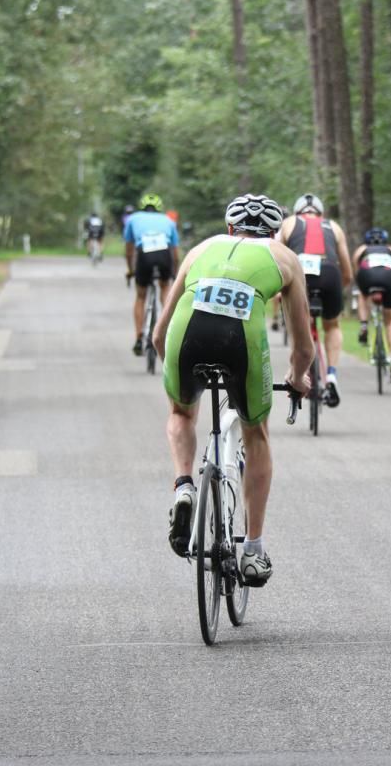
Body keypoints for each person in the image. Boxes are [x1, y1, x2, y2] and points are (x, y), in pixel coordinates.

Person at [153, 194, 314, 586]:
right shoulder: (285, 258)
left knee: (180, 414)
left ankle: (184, 486)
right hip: (240, 342)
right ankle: (253, 552)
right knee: (255, 434)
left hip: (185, 338)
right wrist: (297, 378)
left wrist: (177, 376)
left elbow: (159, 334)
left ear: (230, 228)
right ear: (275, 232)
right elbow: (303, 345)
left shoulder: (202, 249)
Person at [277, 193, 353, 406]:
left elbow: (277, 257)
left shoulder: (288, 223)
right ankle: (331, 375)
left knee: (296, 325)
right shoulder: (334, 226)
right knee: (332, 325)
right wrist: (338, 288)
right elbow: (347, 271)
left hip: (300, 273)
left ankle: (296, 371)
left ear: (297, 211)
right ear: (320, 212)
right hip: (330, 273)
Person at [124, 193, 180, 355]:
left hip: (144, 254)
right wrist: (174, 274)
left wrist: (131, 270)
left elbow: (129, 251)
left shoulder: (133, 219)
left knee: (141, 296)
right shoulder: (169, 221)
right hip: (164, 254)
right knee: (165, 288)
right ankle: (168, 330)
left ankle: (139, 337)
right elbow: (175, 254)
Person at [352, 227, 391, 382]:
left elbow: (357, 270)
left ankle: (363, 324)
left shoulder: (362, 249)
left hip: (368, 276)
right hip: (390, 277)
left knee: (361, 293)